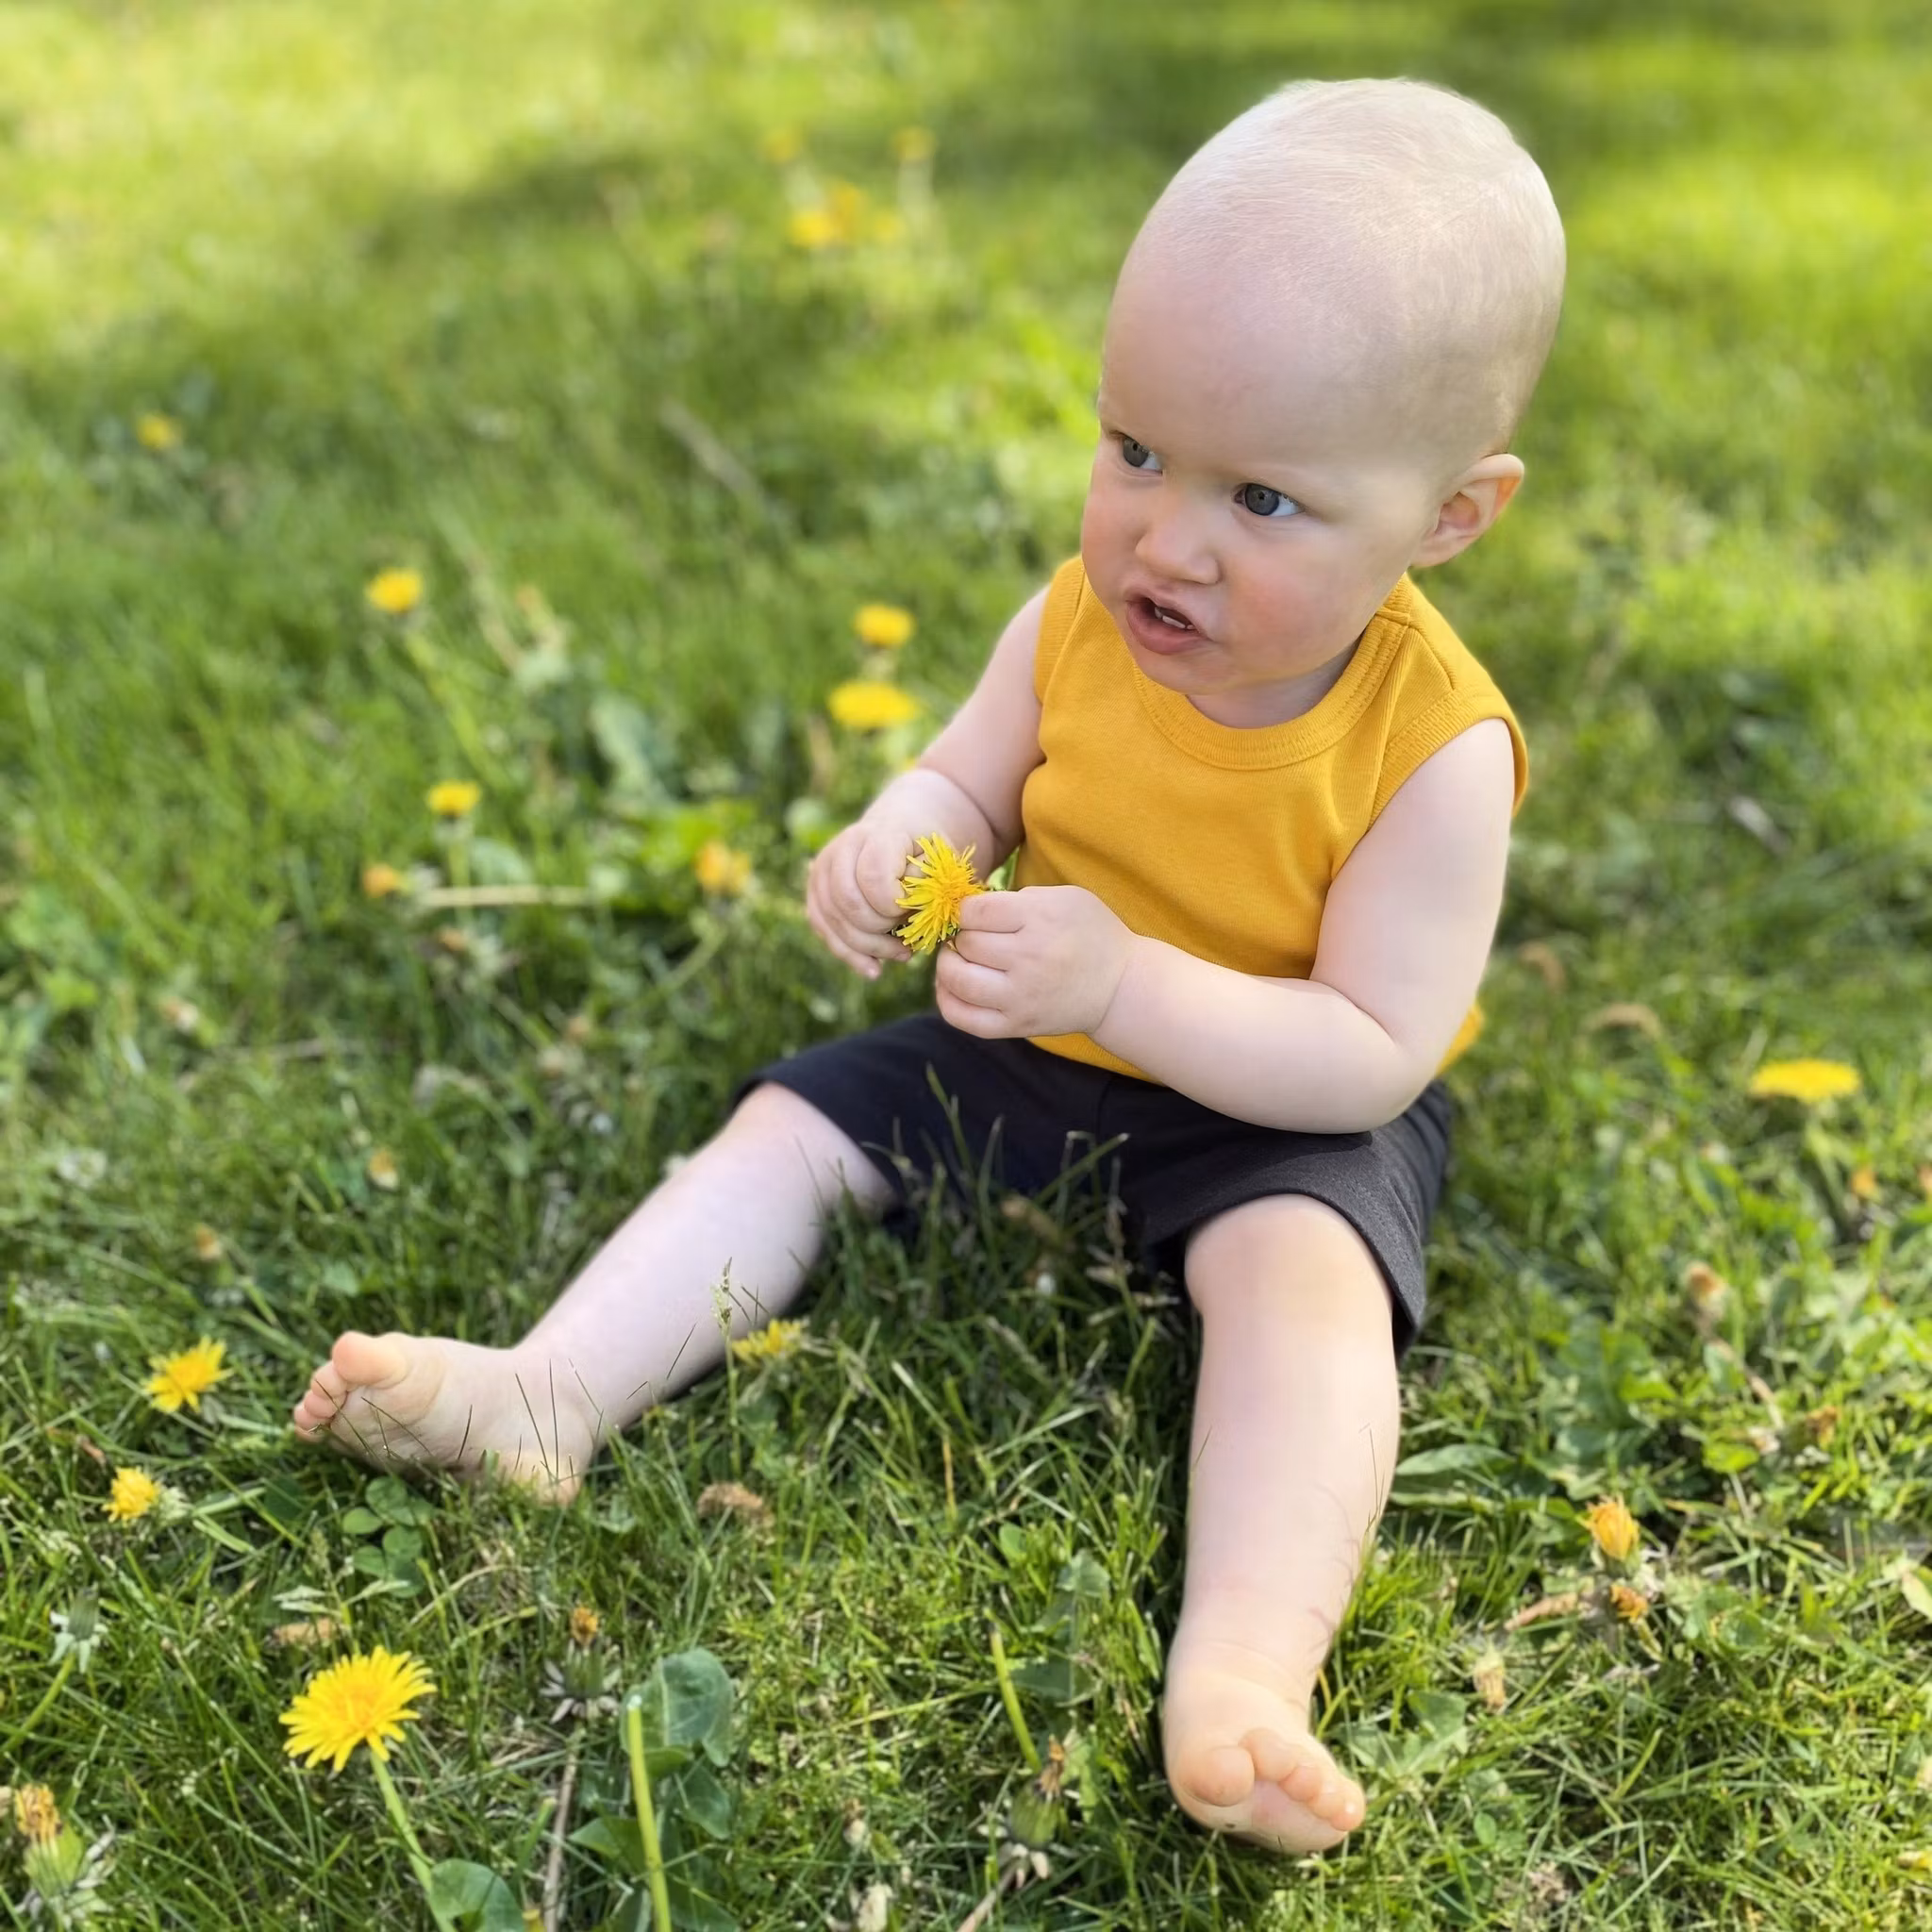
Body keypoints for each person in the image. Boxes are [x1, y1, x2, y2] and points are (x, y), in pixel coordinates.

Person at [293, 75, 1565, 1854]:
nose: (1165, 538)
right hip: (1027, 1041)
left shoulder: (1433, 751)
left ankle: (1245, 1668)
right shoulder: (1083, 616)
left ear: (1451, 515)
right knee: (789, 1130)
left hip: (1274, 1113)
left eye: (1265, 497)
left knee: (1309, 1297)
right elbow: (972, 772)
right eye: (1134, 450)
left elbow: (1373, 1047)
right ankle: (552, 1390)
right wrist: (903, 833)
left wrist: (1130, 990)